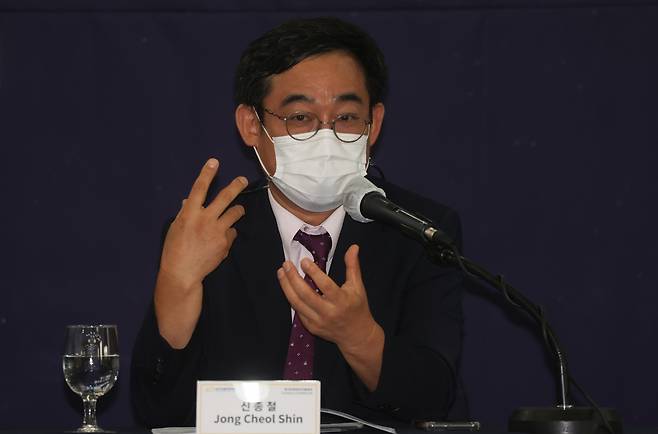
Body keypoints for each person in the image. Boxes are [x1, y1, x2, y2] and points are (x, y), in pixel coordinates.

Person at [131, 16, 466, 427]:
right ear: (252, 125)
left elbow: (434, 403)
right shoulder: (207, 233)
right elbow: (157, 412)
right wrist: (175, 284)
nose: (326, 138)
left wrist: (360, 338)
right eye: (301, 118)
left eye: (345, 118)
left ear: (373, 124)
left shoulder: (419, 232)